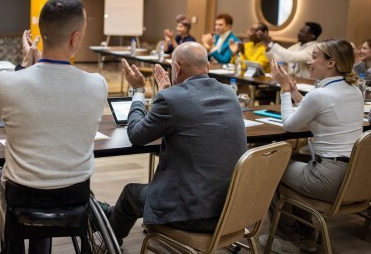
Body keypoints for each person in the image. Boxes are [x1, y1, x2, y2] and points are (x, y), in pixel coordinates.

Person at [0, 0, 108, 253]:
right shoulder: (97, 84)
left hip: (22, 195)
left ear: (43, 32)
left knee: (2, 178)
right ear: (75, 38)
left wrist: (26, 64)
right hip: (75, 195)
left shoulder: (8, 82)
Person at [106, 42, 247, 246]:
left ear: (177, 68)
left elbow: (136, 135)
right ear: (207, 66)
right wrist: (168, 95)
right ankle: (106, 216)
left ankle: (107, 244)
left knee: (130, 194)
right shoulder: (229, 93)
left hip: (194, 213)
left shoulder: (172, 98)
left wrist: (138, 90)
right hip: (231, 209)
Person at [260, 39, 363, 253]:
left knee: (273, 168)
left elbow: (289, 124)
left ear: (331, 63)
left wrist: (285, 89)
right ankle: (305, 238)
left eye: (315, 56)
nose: (309, 60)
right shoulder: (355, 91)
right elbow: (322, 112)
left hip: (327, 178)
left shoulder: (319, 95)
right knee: (294, 162)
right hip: (353, 177)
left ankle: (287, 239)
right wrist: (297, 94)